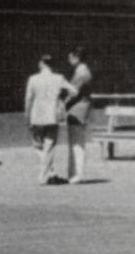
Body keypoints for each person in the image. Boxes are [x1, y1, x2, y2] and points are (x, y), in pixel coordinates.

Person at [25, 55, 72, 185]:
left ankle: (44, 176)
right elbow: (74, 90)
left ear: (41, 63)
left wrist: (27, 115)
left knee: (37, 145)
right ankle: (49, 174)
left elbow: (28, 99)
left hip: (36, 115)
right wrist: (62, 101)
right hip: (52, 115)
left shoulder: (33, 79)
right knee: (49, 146)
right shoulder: (59, 78)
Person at [64, 47, 94, 184]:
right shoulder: (82, 71)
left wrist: (62, 105)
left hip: (77, 109)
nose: (68, 60)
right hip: (79, 108)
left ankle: (76, 174)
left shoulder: (81, 73)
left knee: (76, 142)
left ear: (77, 58)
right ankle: (73, 174)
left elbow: (73, 92)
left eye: (70, 58)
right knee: (76, 142)